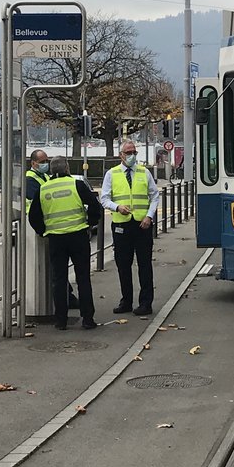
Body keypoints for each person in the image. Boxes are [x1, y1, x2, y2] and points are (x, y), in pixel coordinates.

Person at [28, 156, 102, 330]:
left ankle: (61, 320)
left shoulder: (44, 188)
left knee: (59, 280)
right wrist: (90, 223)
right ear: (67, 168)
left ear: (51, 170)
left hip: (56, 239)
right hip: (78, 236)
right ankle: (87, 319)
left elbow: (33, 216)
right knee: (83, 278)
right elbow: (95, 206)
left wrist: (43, 231)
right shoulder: (77, 185)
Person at [100, 140, 160, 316]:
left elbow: (154, 196)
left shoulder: (144, 172)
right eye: (128, 152)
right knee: (123, 265)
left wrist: (149, 216)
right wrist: (117, 207)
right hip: (121, 225)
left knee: (145, 265)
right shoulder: (112, 174)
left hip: (142, 225)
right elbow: (104, 198)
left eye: (134, 152)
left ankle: (146, 303)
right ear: (121, 155)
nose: (132, 155)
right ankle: (126, 301)